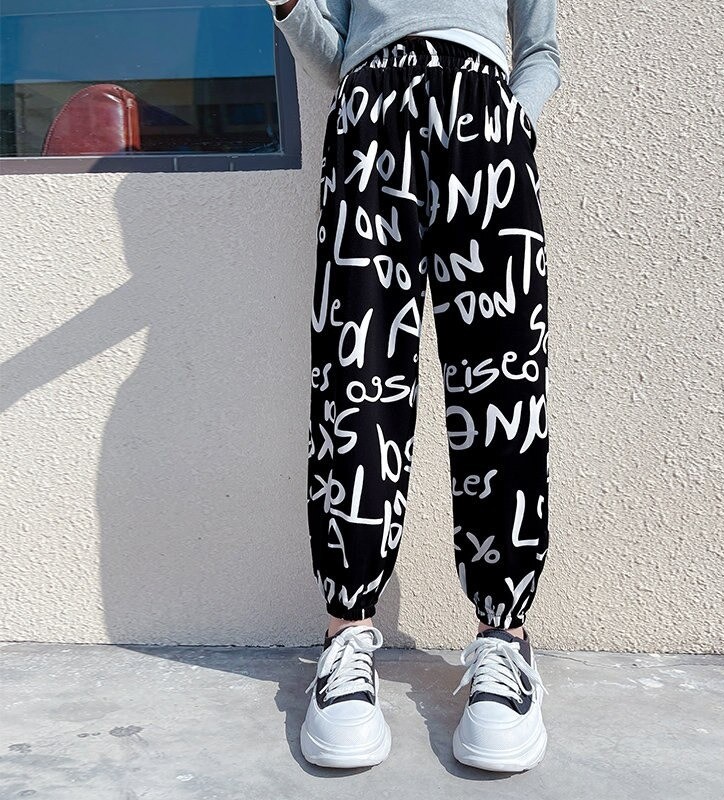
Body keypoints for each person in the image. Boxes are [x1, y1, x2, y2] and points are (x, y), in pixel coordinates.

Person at [266, 0, 561, 773]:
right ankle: (345, 637)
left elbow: (541, 49)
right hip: (370, 123)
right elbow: (335, 56)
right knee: (357, 379)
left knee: (501, 382)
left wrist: (509, 126)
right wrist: (289, 9)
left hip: (485, 124)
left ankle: (505, 640)